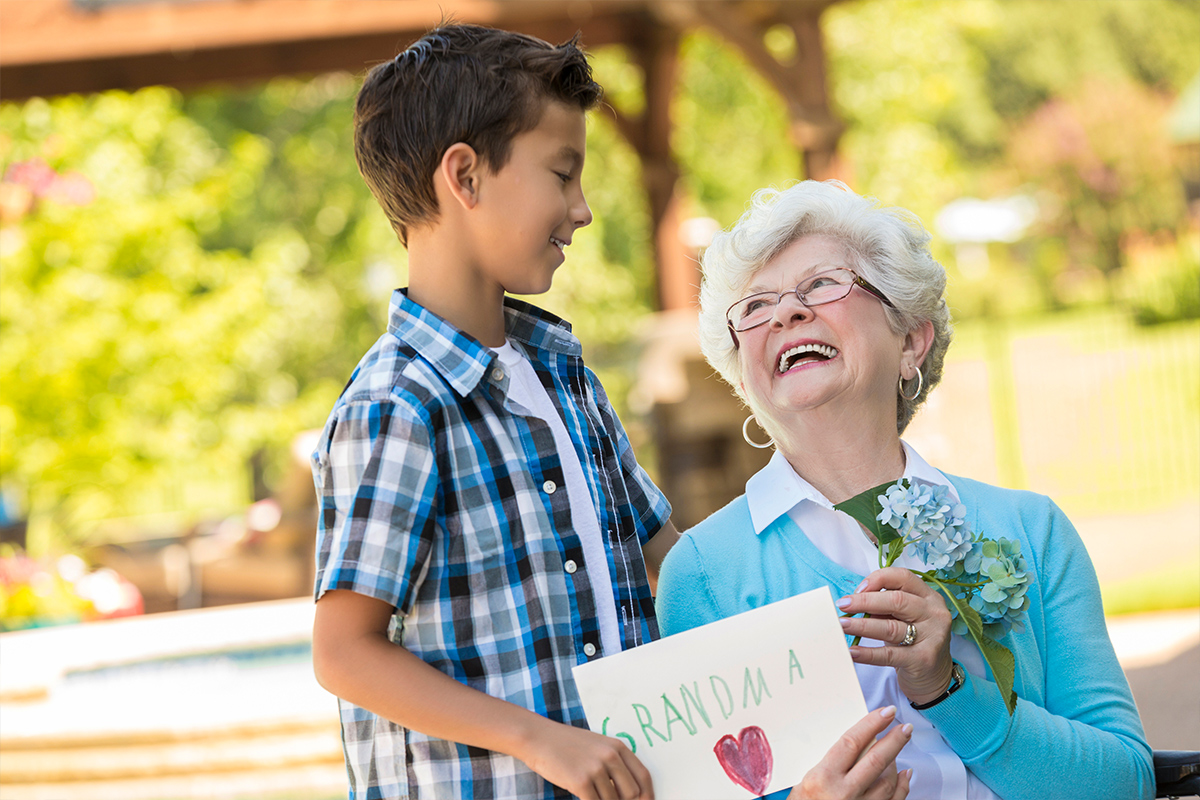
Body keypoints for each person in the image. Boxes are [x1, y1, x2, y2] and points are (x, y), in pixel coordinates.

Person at [655, 180, 1155, 800]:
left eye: (820, 285)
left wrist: (949, 691)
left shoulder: (1033, 530)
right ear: (745, 373)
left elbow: (1126, 784)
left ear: (910, 339)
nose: (786, 313)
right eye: (756, 306)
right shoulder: (706, 574)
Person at [307, 24, 684, 800]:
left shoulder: (564, 373)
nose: (581, 211)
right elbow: (344, 654)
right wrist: (541, 742)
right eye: (562, 174)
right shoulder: (397, 406)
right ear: (466, 176)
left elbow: (667, 559)